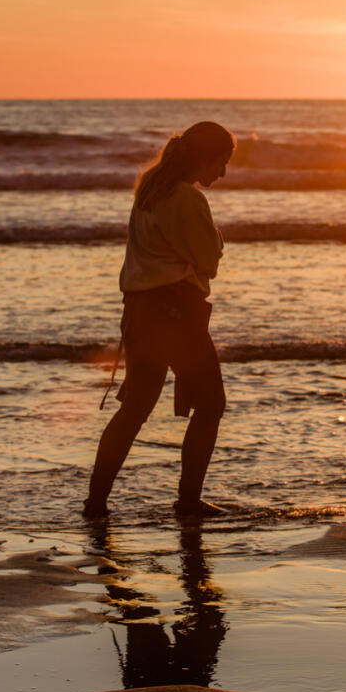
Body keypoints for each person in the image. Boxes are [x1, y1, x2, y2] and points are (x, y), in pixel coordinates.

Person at [85, 121, 235, 520]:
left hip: (140, 312)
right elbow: (209, 261)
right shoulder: (188, 199)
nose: (222, 172)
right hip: (177, 312)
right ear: (204, 158)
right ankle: (188, 502)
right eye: (221, 162)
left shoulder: (149, 188)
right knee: (211, 405)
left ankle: (95, 503)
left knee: (134, 409)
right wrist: (217, 239)